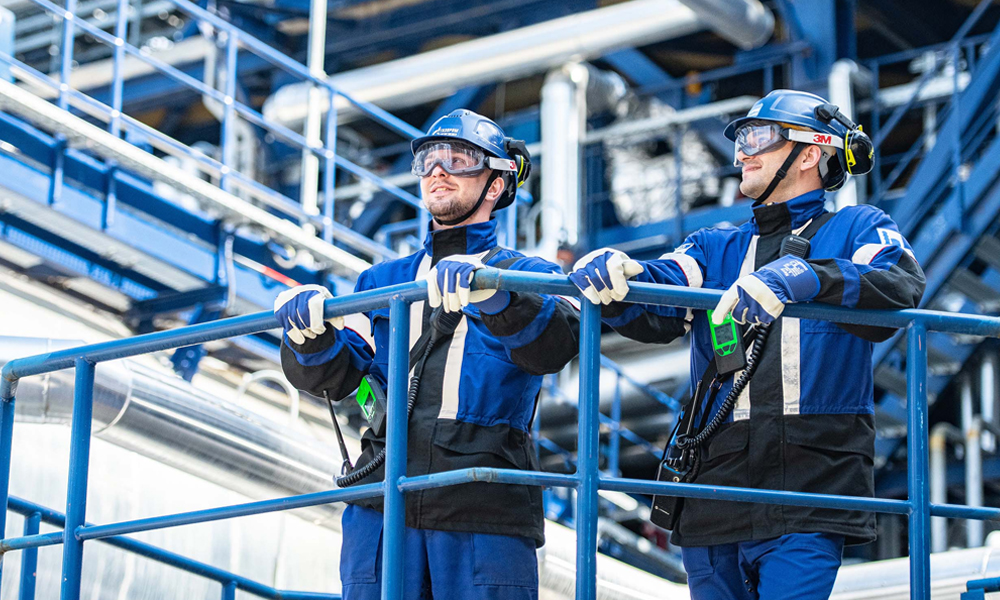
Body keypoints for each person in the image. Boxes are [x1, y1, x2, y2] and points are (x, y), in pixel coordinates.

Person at [568, 89, 926, 600]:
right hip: (714, 493)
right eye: (741, 139)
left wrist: (804, 277)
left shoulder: (857, 229)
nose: (741, 152)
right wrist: (616, 274)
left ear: (809, 153)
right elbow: (660, 294)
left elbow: (900, 283)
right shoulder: (717, 246)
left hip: (809, 492)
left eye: (758, 138)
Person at [274, 109, 580, 600]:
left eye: (459, 159)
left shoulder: (530, 275)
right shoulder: (381, 282)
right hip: (382, 507)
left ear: (496, 185)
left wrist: (495, 294)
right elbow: (339, 377)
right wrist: (307, 332)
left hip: (482, 507)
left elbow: (556, 344)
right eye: (429, 159)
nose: (439, 170)